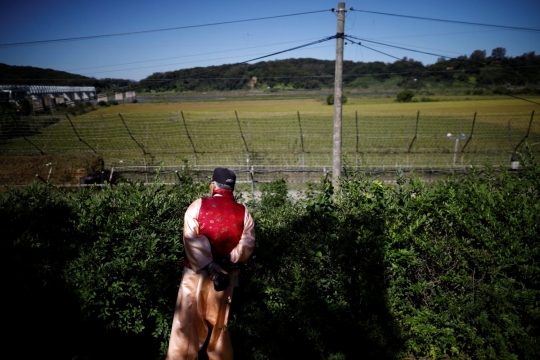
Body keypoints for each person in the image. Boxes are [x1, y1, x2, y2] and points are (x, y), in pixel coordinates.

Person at [167, 167, 256, 360]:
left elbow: (191, 238)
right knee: (220, 328)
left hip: (195, 274)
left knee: (185, 326)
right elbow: (247, 243)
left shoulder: (197, 205)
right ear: (232, 188)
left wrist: (208, 265)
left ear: (213, 185)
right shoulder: (244, 212)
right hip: (225, 278)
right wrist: (225, 260)